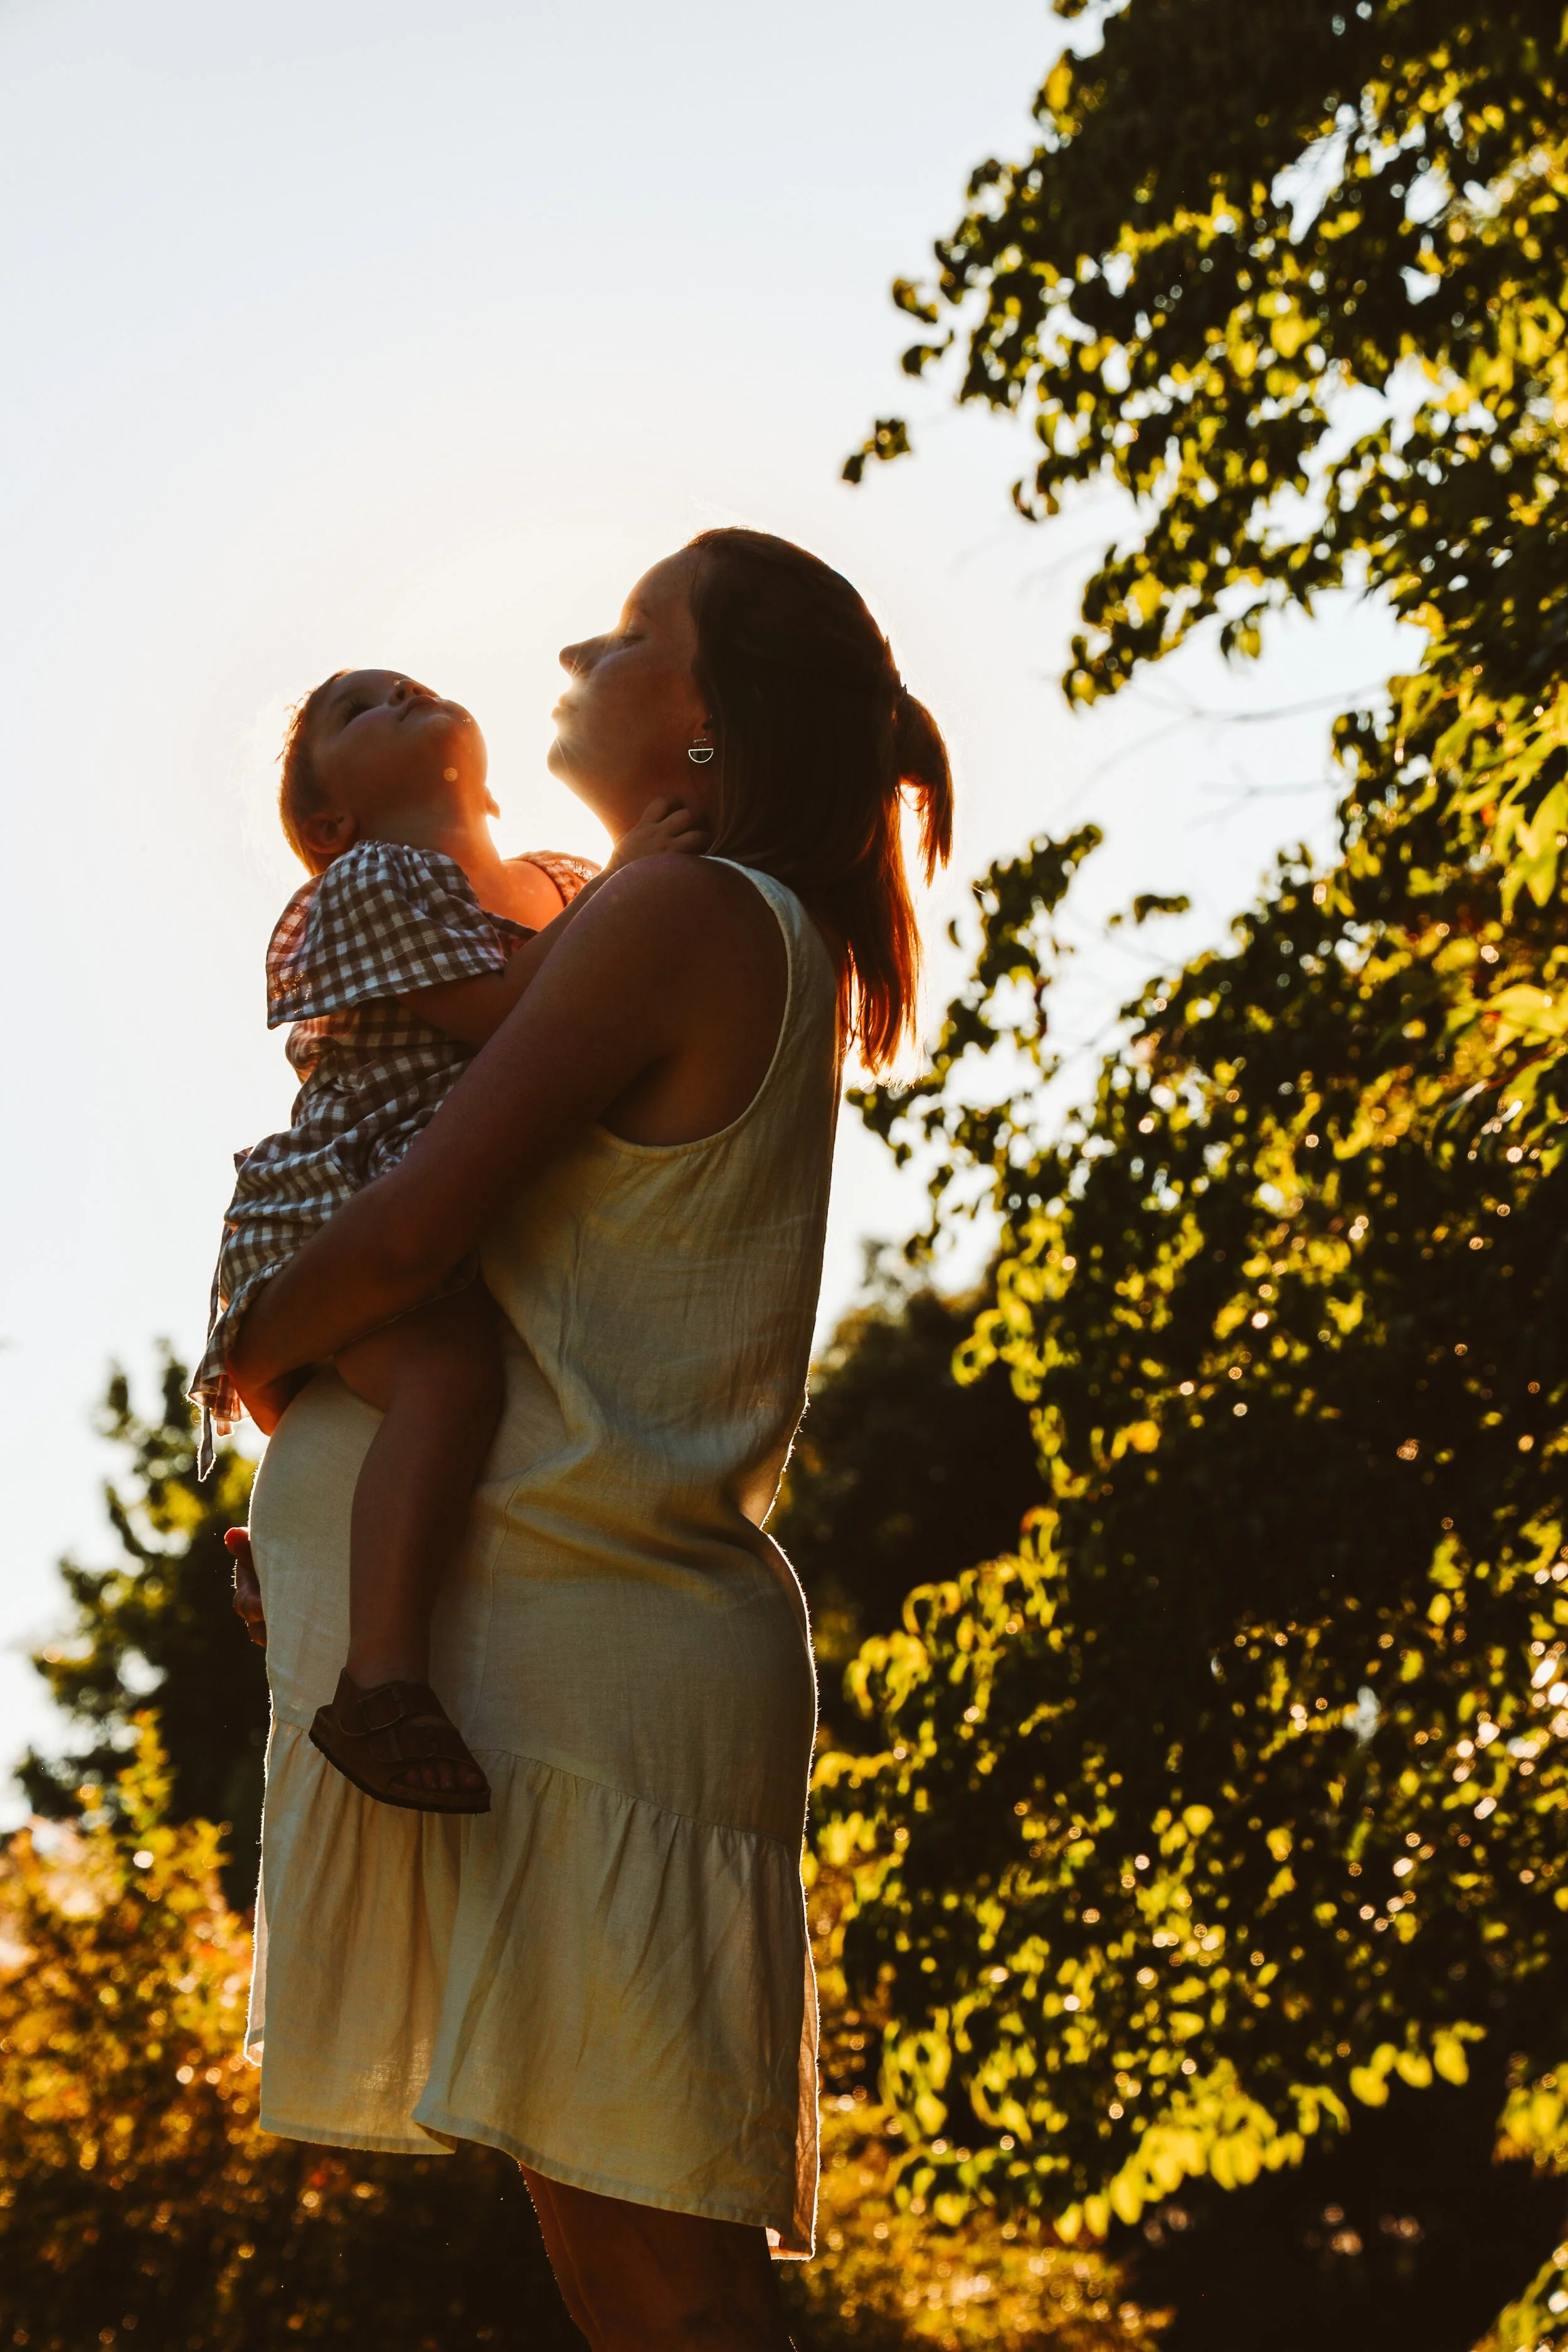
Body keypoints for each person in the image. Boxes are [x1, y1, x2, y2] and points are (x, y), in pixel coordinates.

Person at [225, 529, 953, 2350]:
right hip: (561, 1647)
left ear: (704, 720)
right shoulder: (665, 914)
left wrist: (249, 1342)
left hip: (589, 1664)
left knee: (670, 2298)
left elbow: (405, 1232)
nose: (576, 643)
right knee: (633, 2291)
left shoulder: (667, 917)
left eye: (632, 632)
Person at [193, 670, 703, 1811]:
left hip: (445, 1205)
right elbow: (512, 1010)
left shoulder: (565, 880)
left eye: (399, 683)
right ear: (333, 825)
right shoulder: (372, 878)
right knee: (447, 1375)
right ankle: (380, 1682)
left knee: (426, 1401)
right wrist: (629, 886)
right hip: (344, 1194)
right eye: (357, 710)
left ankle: (290, 1548)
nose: (399, 690)